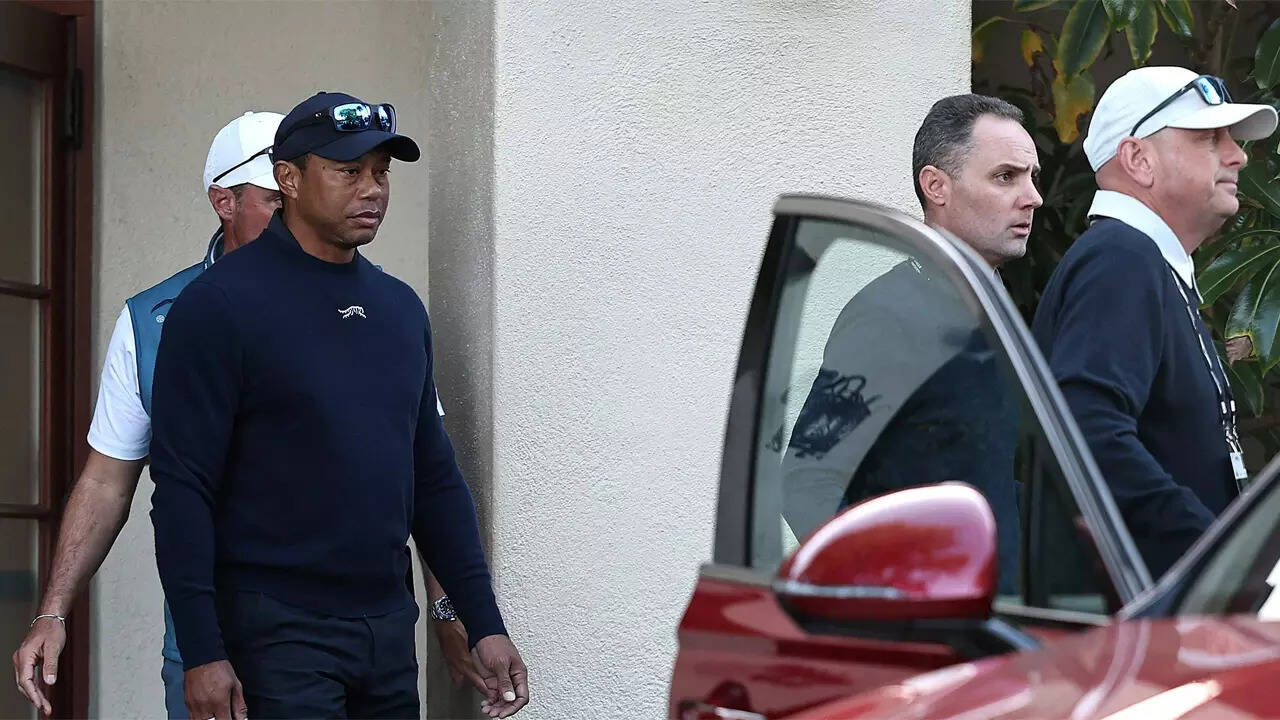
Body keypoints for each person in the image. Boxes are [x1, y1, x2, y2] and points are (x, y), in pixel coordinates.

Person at [148, 92, 528, 720]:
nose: (372, 189)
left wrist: (483, 622)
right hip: (274, 635)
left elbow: (433, 479)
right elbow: (182, 490)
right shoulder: (219, 306)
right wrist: (201, 652)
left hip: (386, 631)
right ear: (289, 179)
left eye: (381, 172)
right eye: (348, 171)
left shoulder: (398, 309)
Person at [781, 94, 1042, 591]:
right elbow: (808, 480)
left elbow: (975, 475)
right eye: (1006, 176)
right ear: (936, 186)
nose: (1033, 197)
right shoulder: (886, 317)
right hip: (927, 623)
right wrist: (890, 600)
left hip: (997, 616)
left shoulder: (993, 306)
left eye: (1032, 177)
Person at [1032, 67, 1277, 578]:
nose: (1238, 155)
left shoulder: (1139, 260)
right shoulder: (1121, 258)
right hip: (1138, 612)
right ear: (1138, 159)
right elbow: (1088, 434)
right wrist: (1223, 562)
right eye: (1210, 138)